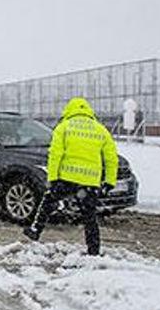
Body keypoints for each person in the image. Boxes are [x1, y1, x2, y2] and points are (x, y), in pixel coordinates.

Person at [23, 96, 119, 256]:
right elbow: (111, 158)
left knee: (47, 202)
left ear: (69, 110)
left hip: (66, 178)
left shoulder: (64, 127)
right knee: (90, 217)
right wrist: (109, 181)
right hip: (89, 182)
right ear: (89, 111)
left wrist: (52, 179)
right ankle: (93, 250)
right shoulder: (100, 129)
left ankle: (35, 229)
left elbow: (55, 155)